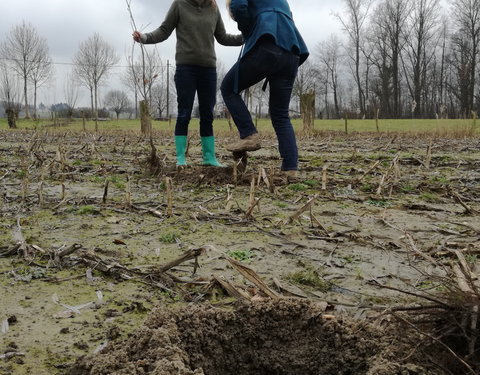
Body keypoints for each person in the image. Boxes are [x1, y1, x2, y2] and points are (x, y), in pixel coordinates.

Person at [133, 0, 243, 167]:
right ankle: (181, 158)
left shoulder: (213, 8)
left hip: (208, 70)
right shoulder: (179, 4)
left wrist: (245, 37)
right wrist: (144, 37)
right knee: (184, 113)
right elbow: (164, 31)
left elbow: (222, 37)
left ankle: (209, 158)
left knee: (207, 114)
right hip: (186, 68)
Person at [221, 0, 309, 178]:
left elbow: (238, 6)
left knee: (228, 88)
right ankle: (290, 168)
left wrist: (248, 32)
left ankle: (249, 134)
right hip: (291, 53)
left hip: (268, 44)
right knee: (280, 114)